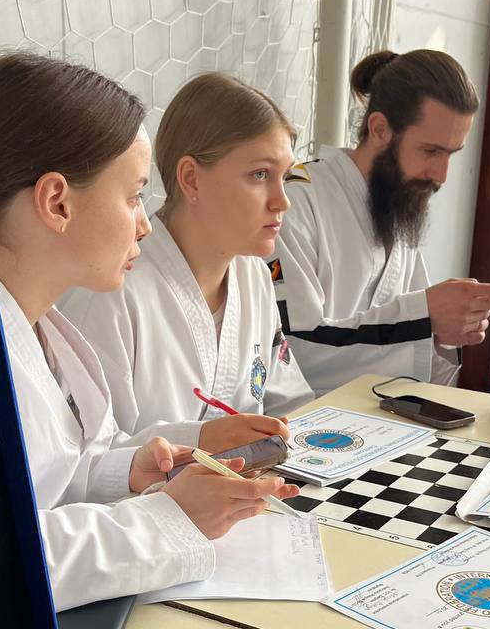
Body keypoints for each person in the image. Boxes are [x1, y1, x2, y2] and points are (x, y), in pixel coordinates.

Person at [0, 52, 298, 609]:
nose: (145, 224)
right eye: (132, 196)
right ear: (57, 202)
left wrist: (128, 470)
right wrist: (167, 521)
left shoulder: (31, 320)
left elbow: (44, 481)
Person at [61, 73, 313, 444]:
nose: (282, 201)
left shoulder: (255, 277)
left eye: (285, 177)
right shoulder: (109, 293)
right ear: (192, 178)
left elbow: (288, 405)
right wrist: (203, 441)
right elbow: (88, 458)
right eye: (260, 174)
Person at [272, 49, 490, 396]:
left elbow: (417, 347)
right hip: (301, 421)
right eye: (431, 151)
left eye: (451, 154)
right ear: (379, 129)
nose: (442, 176)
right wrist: (424, 316)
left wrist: (445, 331)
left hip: (375, 415)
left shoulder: (395, 202)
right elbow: (291, 354)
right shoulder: (295, 204)